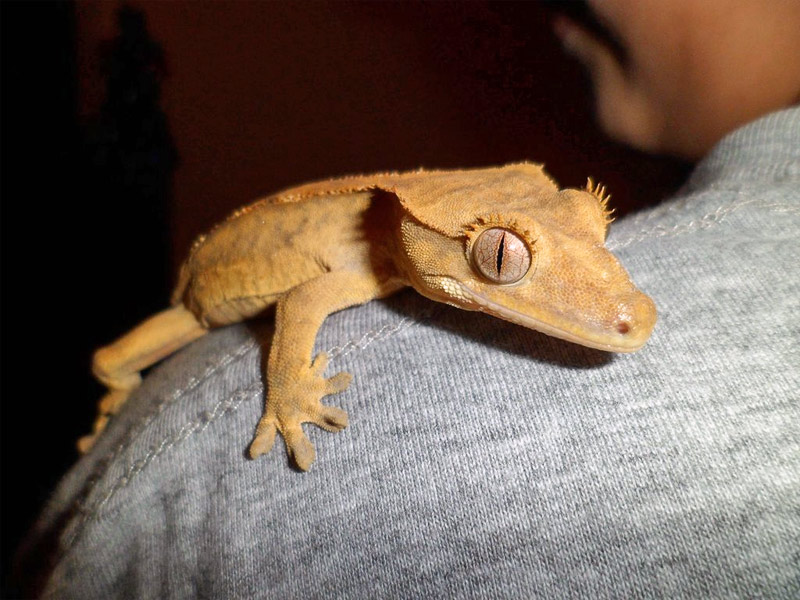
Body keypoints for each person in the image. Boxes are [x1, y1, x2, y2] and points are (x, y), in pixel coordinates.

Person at [16, 1, 800, 597]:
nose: (623, 304)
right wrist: (287, 394)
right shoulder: (360, 271)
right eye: (501, 257)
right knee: (109, 358)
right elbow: (304, 302)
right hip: (197, 302)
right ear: (436, 240)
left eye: (592, 221)